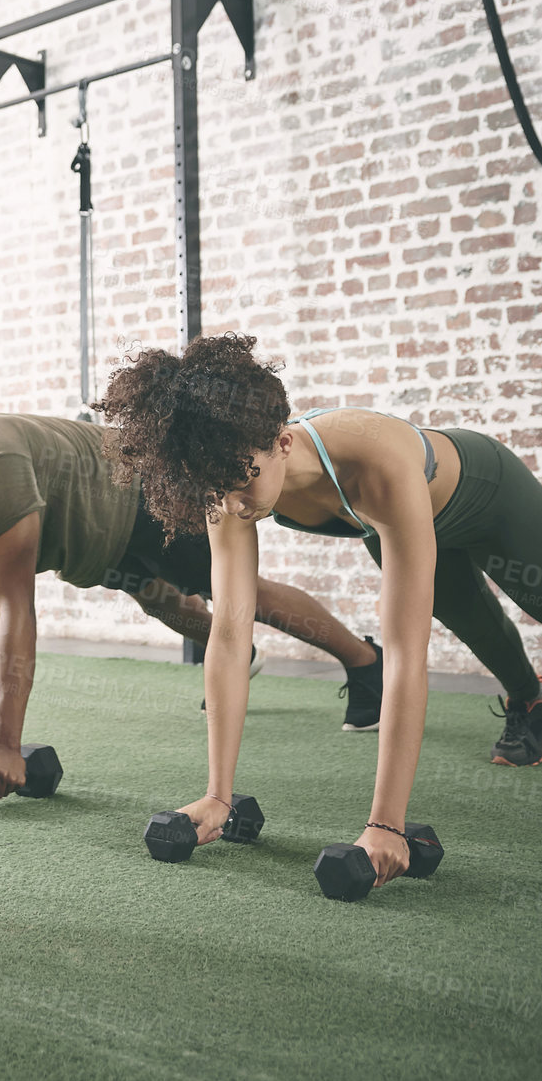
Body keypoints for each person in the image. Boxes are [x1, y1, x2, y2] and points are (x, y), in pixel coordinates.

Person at [98, 331, 542, 887]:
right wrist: (217, 794)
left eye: (242, 484)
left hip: (485, 492)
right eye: (217, 490)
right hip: (393, 527)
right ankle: (529, 696)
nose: (233, 504)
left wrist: (386, 823)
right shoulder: (226, 483)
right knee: (473, 621)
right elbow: (231, 636)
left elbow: (405, 654)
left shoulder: (375, 461)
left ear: (283, 443)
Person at [0, 414, 382, 797]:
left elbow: (13, 611)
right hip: (98, 536)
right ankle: (234, 655)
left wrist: (4, 745)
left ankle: (364, 663)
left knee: (240, 595)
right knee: (163, 604)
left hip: (137, 493)